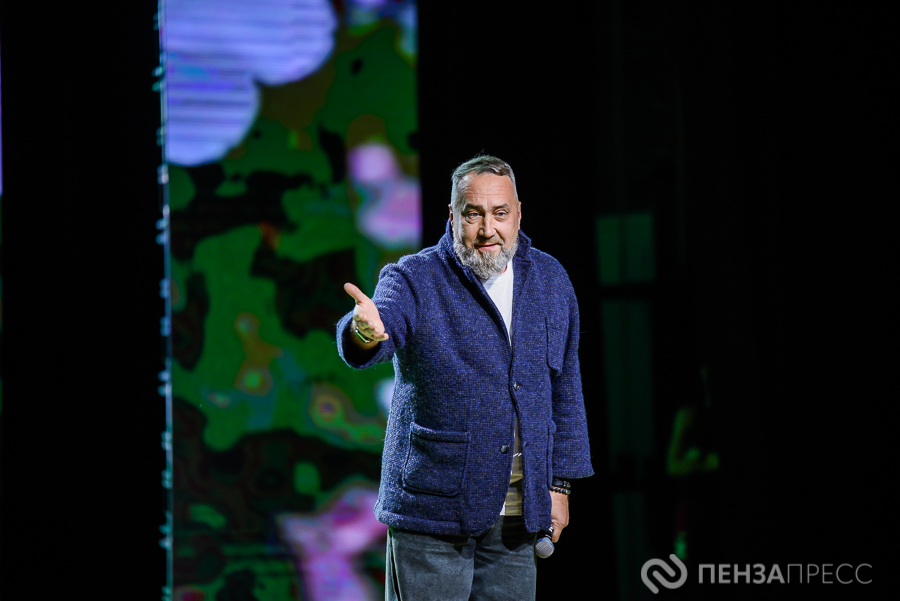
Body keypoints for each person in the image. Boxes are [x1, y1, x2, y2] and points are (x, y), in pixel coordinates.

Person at [336, 154, 593, 600]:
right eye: (473, 214)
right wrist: (363, 332)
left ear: (518, 214)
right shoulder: (413, 277)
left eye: (500, 213)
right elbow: (379, 326)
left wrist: (559, 485)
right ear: (453, 216)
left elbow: (565, 390)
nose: (488, 229)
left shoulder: (550, 280)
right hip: (431, 515)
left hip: (518, 517)